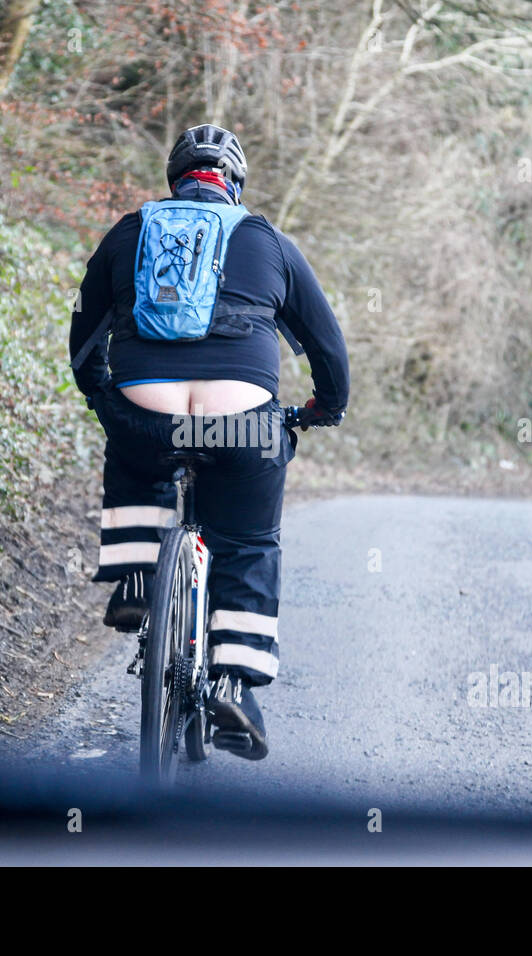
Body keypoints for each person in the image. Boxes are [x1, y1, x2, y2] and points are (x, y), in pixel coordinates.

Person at [69, 124, 350, 760]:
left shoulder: (129, 231)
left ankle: (139, 575)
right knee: (248, 541)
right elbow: (328, 346)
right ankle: (234, 679)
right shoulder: (267, 239)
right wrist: (323, 407)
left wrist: (102, 396)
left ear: (174, 180)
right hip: (242, 425)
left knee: (135, 452)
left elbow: (85, 331)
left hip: (148, 415)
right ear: (235, 184)